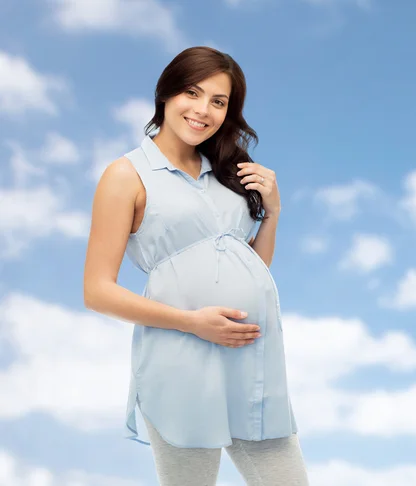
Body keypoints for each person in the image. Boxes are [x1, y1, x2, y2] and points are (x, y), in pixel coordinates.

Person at [83, 46, 310, 486]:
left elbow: (252, 266)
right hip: (180, 360)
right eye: (193, 92)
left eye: (219, 102)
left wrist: (273, 213)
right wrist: (191, 323)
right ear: (166, 93)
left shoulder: (230, 170)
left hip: (251, 358)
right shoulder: (126, 175)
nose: (203, 110)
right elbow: (97, 291)